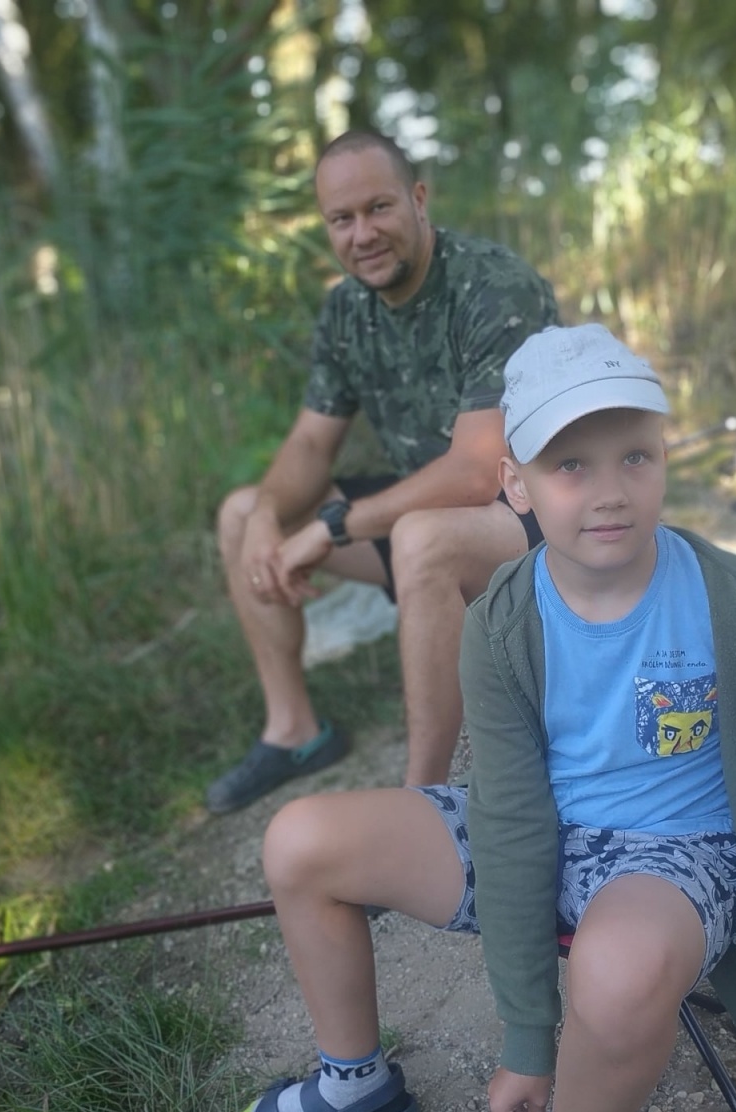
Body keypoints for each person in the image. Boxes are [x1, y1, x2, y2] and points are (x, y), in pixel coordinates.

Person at [223, 324, 736, 1112]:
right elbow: (512, 821)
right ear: (515, 483)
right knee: (301, 839)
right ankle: (355, 1084)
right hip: (542, 828)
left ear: (665, 456)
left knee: (621, 969)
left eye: (635, 456)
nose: (610, 492)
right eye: (570, 465)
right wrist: (528, 1036)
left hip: (678, 853)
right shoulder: (503, 620)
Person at [206, 129, 559, 815]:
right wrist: (268, 520)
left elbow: (477, 472)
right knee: (241, 513)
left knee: (421, 535)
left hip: (534, 527)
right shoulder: (346, 310)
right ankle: (295, 733)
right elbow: (312, 445)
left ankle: (423, 803)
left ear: (419, 199)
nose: (362, 233)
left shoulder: (493, 287)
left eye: (379, 208)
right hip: (424, 520)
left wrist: (334, 527)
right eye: (342, 219)